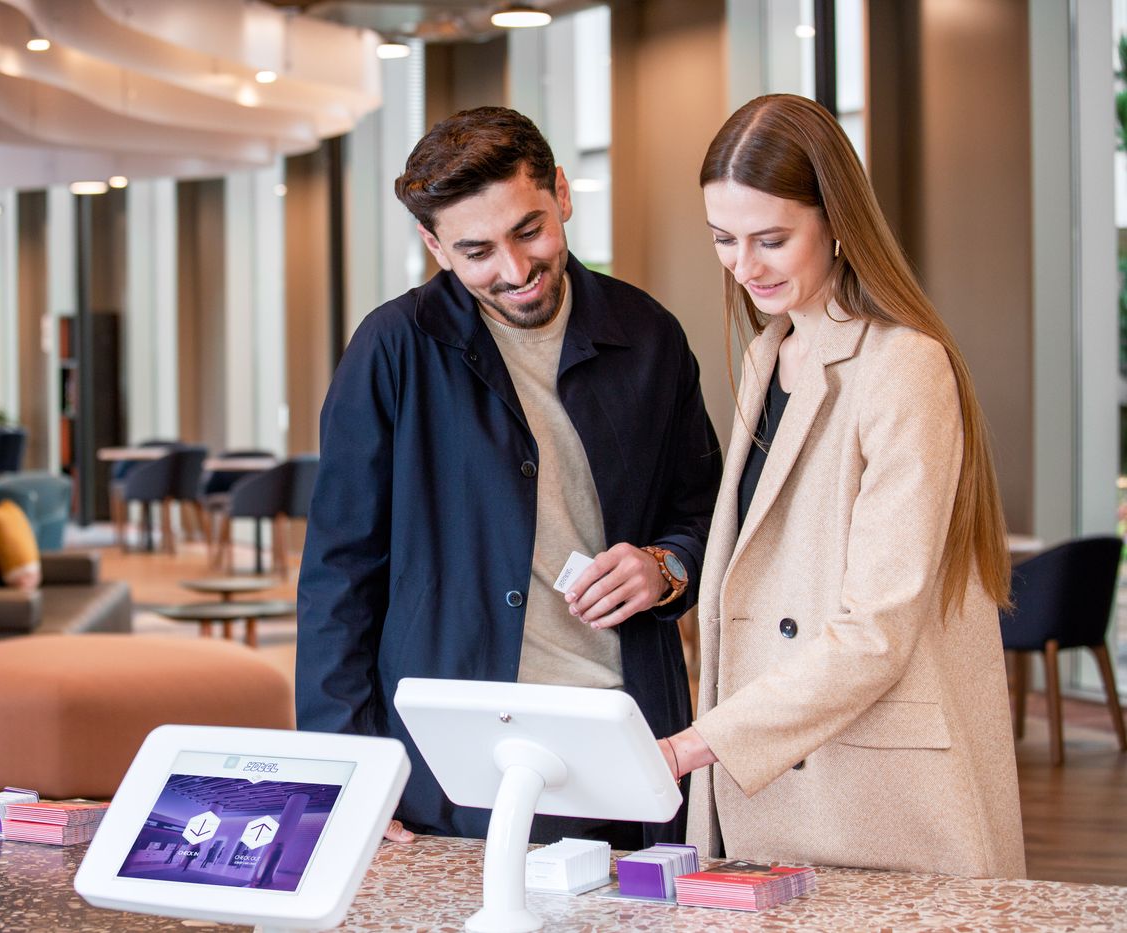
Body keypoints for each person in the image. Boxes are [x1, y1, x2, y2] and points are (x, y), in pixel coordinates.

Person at [296, 106, 721, 846]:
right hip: (448, 760)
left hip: (626, 743)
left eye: (529, 230)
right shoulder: (392, 349)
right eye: (477, 250)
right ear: (434, 245)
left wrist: (664, 566)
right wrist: (348, 769)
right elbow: (339, 575)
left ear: (560, 191)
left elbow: (706, 510)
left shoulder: (650, 336)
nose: (516, 271)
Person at [660, 93, 1025, 878]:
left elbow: (876, 630)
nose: (744, 265)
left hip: (870, 791)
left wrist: (698, 743)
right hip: (770, 780)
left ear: (835, 220)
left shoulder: (904, 364)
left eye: (771, 239)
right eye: (724, 239)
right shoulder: (768, 354)